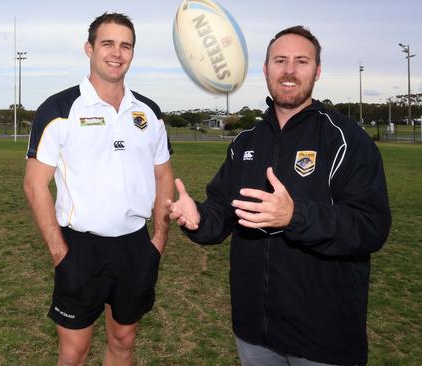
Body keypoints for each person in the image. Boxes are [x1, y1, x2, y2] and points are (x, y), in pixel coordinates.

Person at [166, 25, 391, 366]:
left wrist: (294, 215)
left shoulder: (346, 139)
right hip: (255, 333)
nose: (288, 70)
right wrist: (197, 219)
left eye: (301, 61)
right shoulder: (246, 142)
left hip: (324, 338)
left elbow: (371, 226)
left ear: (317, 70)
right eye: (279, 60)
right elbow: (221, 214)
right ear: (266, 69)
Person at [23, 12, 174, 366]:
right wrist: (59, 251)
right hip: (80, 246)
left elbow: (164, 176)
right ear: (89, 48)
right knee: (74, 351)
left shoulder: (148, 112)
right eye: (107, 43)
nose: (117, 53)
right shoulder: (59, 108)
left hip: (136, 245)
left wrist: (158, 241)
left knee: (124, 340)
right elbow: (34, 185)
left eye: (126, 45)